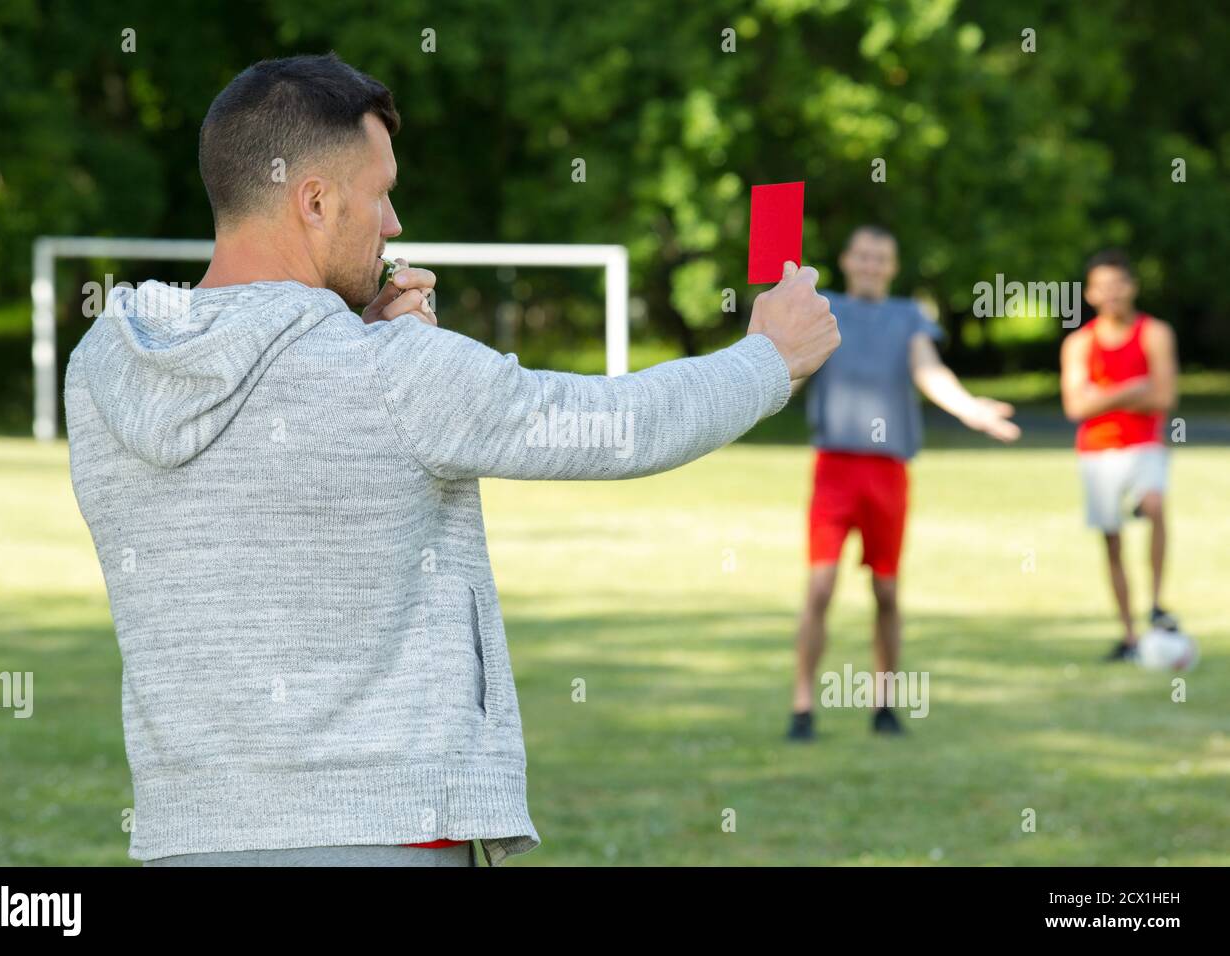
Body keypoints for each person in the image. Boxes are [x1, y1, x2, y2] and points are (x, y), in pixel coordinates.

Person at [63, 53, 841, 867]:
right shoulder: (394, 372)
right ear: (317, 201)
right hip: (382, 831)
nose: (394, 223)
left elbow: (270, 418)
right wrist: (767, 358)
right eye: (382, 193)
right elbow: (614, 425)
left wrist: (350, 332)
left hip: (188, 836)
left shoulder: (103, 368)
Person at [788, 226, 1020, 742]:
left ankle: (884, 705)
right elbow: (791, 373)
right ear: (847, 259)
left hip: (888, 471)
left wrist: (971, 410)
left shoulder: (909, 317)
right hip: (834, 468)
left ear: (892, 266)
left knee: (887, 592)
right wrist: (743, 398)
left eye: (882, 258)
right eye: (863, 255)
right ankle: (802, 707)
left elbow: (928, 371)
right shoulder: (824, 313)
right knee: (820, 588)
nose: (871, 264)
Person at [1060, 249, 1180, 661]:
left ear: (1132, 286)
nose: (1111, 293)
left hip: (1145, 445)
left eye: (1118, 284)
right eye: (1102, 287)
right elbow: (1076, 408)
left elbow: (1163, 395)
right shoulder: (1080, 343)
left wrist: (1101, 395)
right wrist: (1131, 390)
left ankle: (1158, 603)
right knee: (1112, 542)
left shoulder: (1155, 333)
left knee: (1154, 504)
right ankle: (1129, 635)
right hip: (1097, 452)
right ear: (1091, 293)